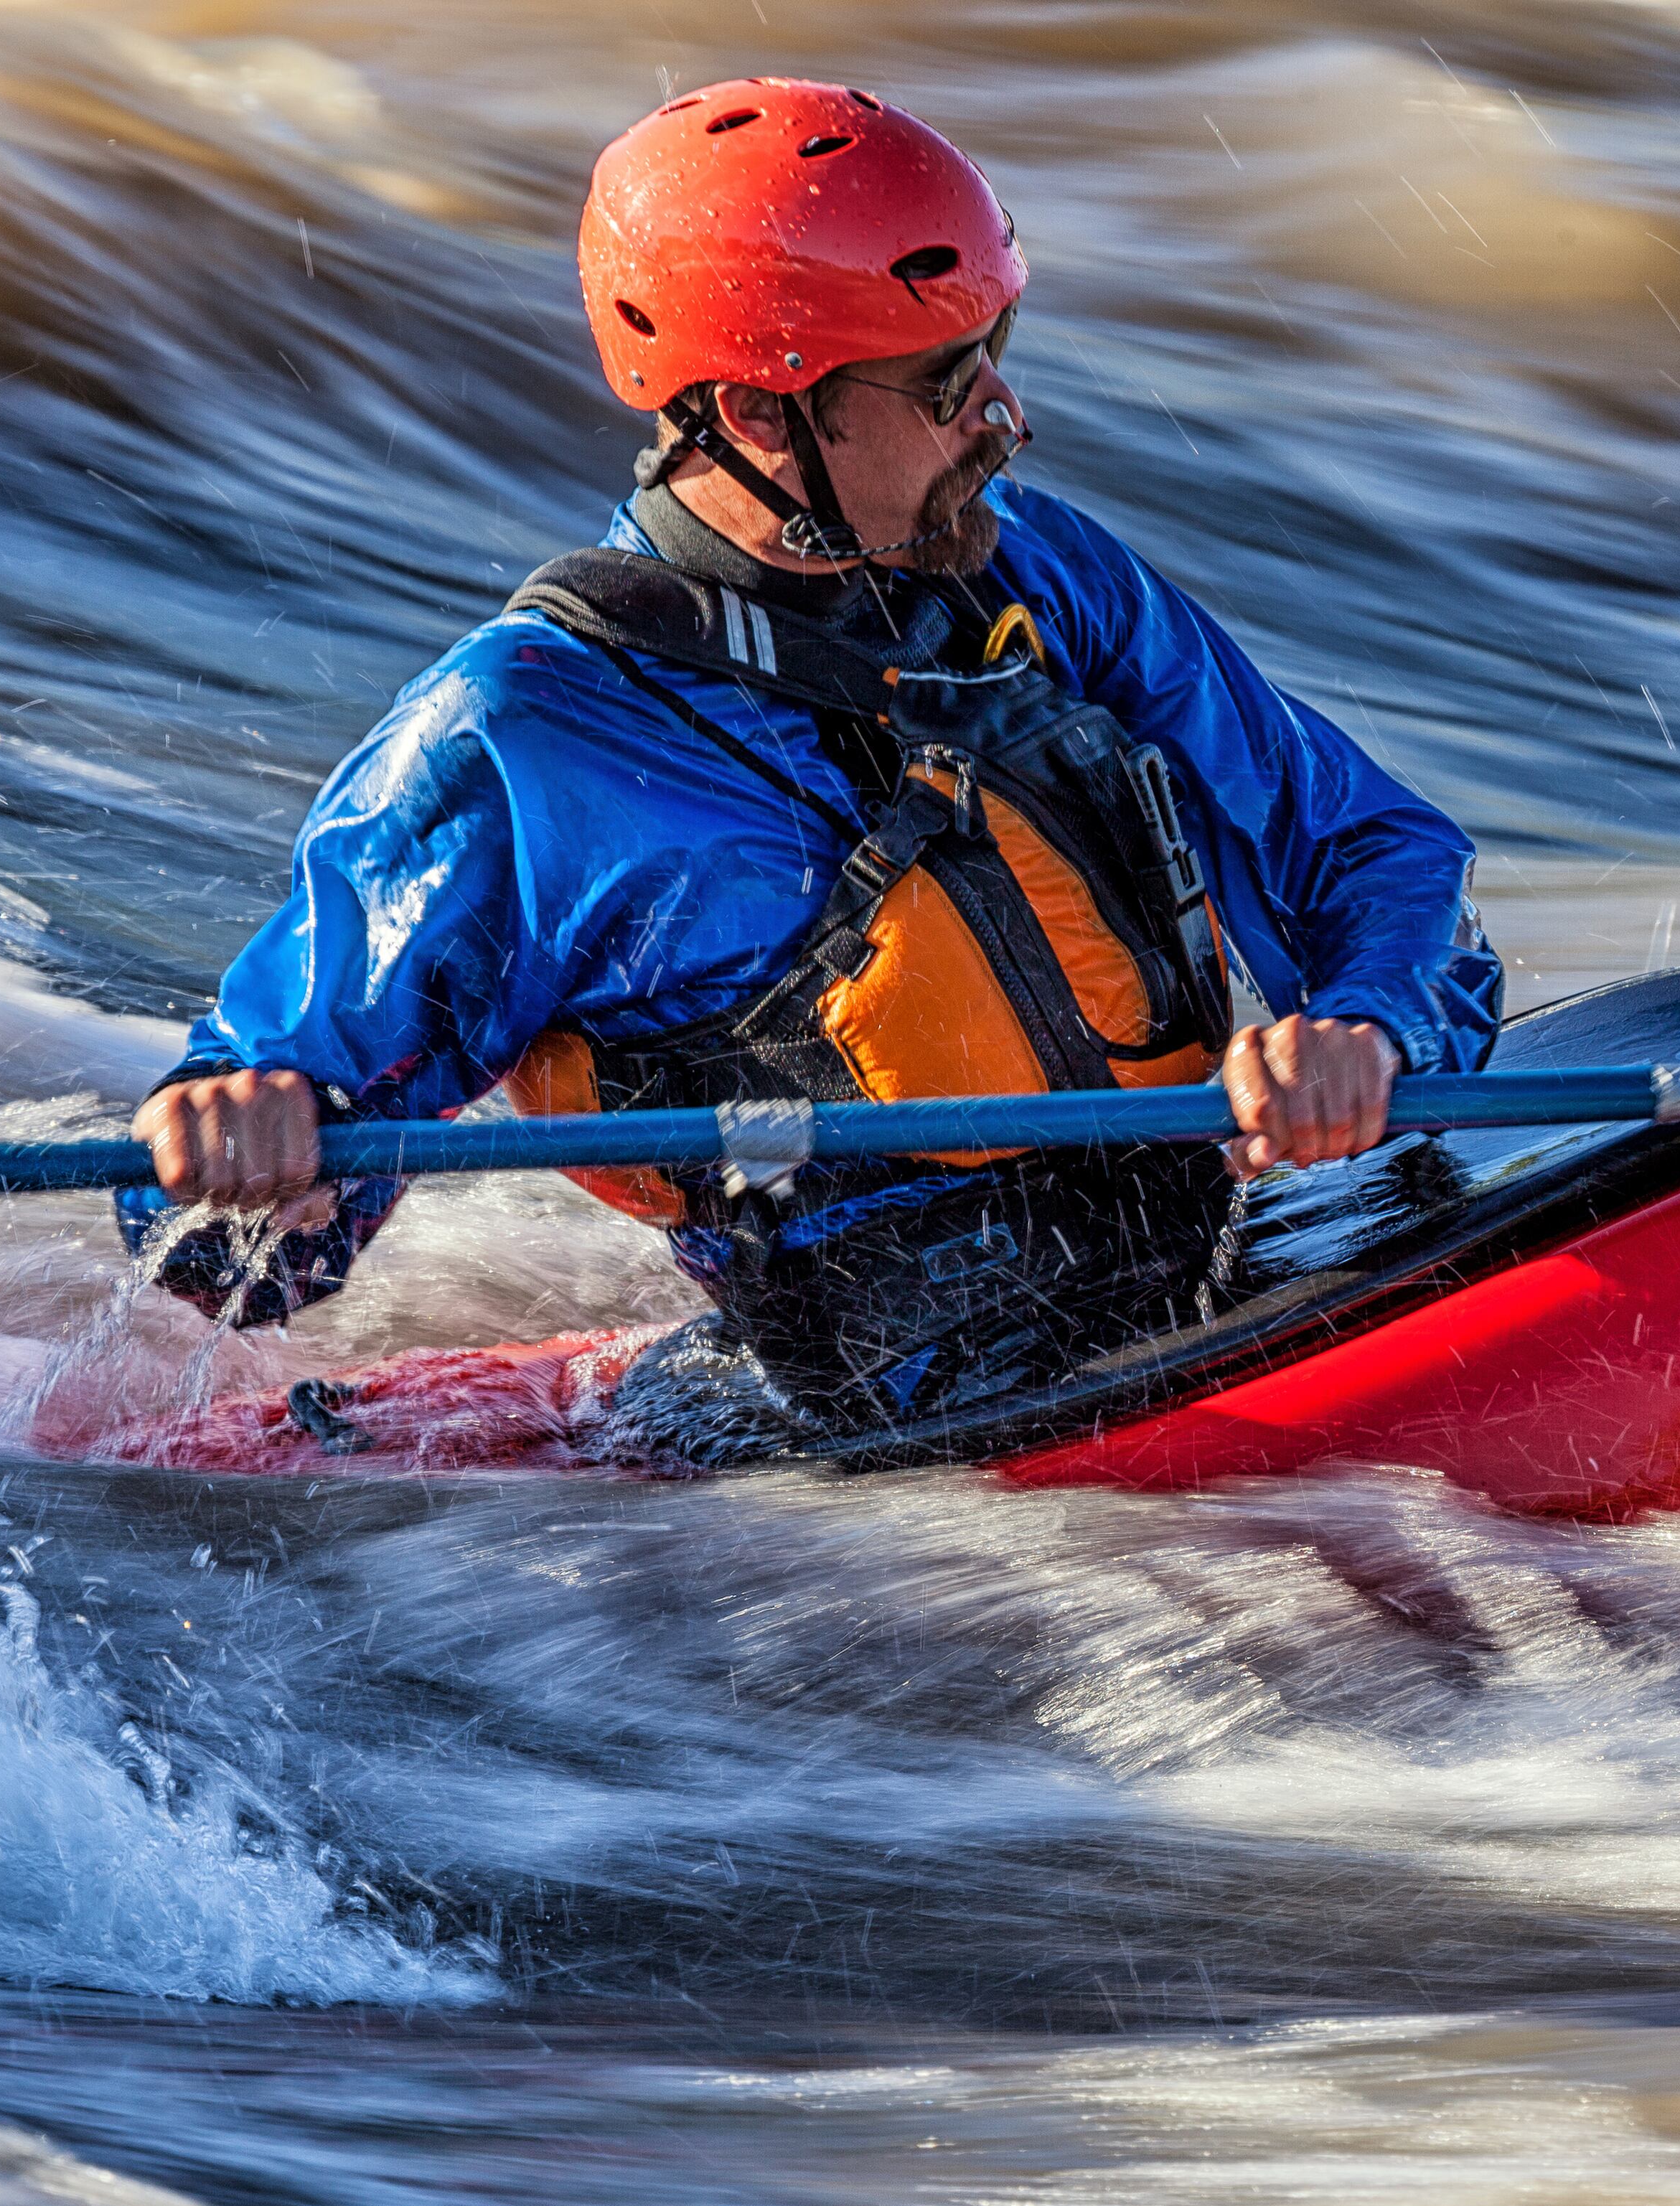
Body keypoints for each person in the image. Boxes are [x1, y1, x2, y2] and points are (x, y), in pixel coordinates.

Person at [125, 76, 1500, 1440]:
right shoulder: (530, 737)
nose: (1004, 418)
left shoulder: (1038, 572)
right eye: (949, 381)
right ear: (765, 414)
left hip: (1216, 1274)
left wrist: (1369, 1024)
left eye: (996, 347)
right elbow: (224, 1235)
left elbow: (1370, 847)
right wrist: (257, 1147)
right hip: (884, 1462)